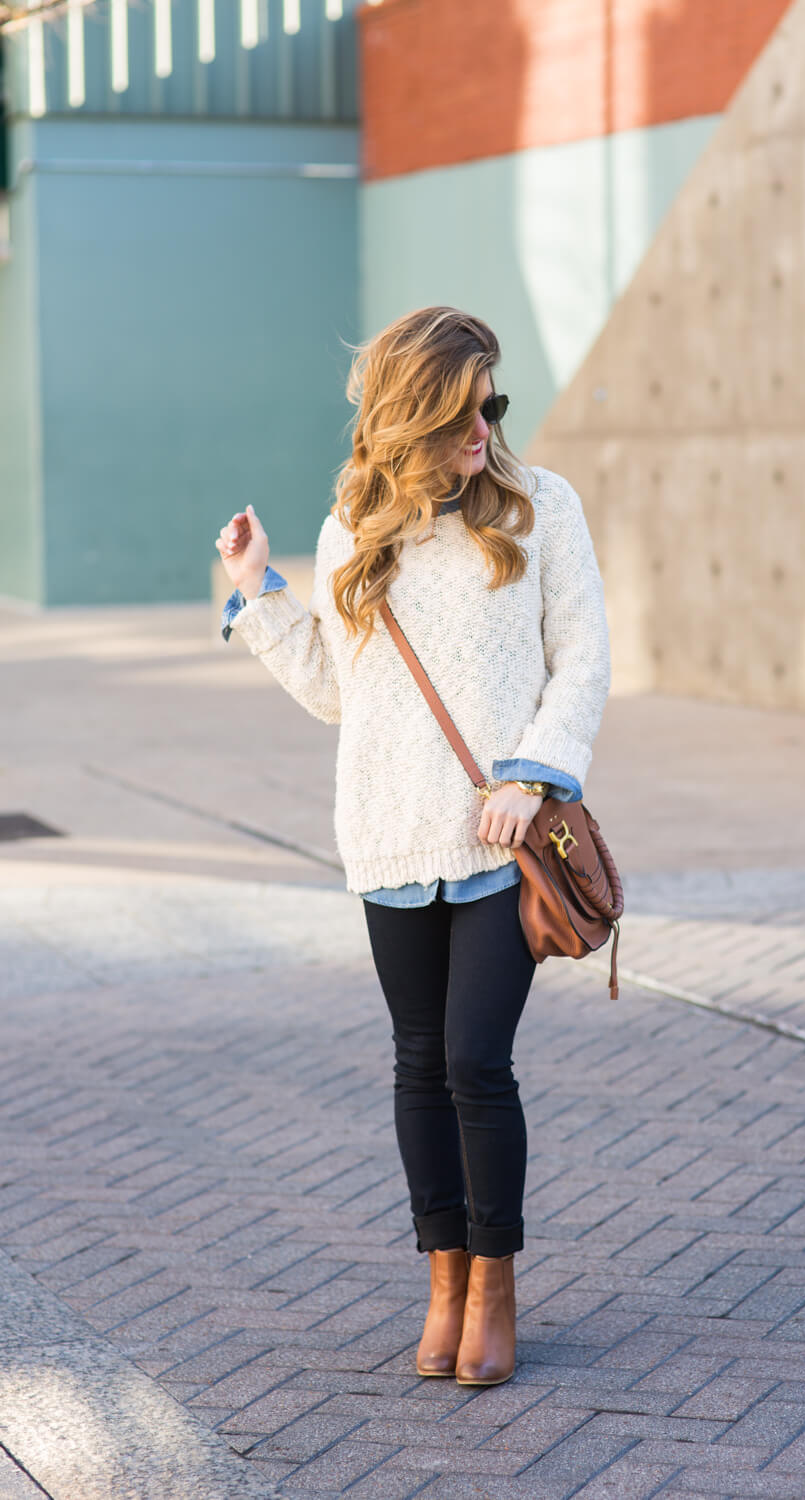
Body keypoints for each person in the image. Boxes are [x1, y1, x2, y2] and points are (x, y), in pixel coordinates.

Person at [215, 306, 610, 1386]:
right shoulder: (356, 520)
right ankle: (439, 1278)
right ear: (408, 413)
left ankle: (494, 1287)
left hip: (499, 843)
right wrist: (258, 590)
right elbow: (341, 693)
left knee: (477, 1063)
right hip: (389, 837)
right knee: (418, 1067)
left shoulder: (540, 508)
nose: (481, 425)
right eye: (457, 410)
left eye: (489, 402)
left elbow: (581, 662)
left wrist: (532, 777)